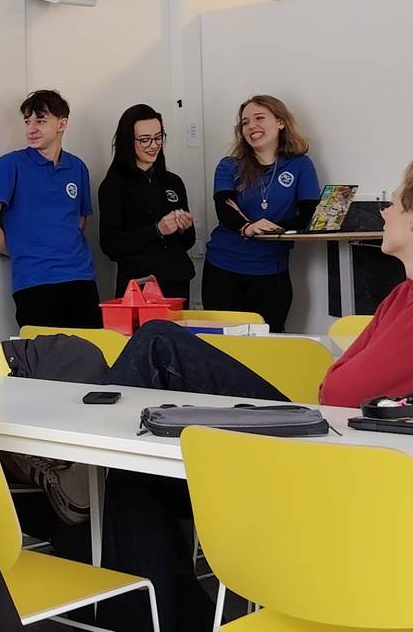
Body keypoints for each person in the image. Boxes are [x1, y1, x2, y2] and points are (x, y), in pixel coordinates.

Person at [97, 162, 413, 632]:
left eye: (397, 203)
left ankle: (75, 465)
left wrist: (338, 382)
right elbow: (336, 384)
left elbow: (340, 389)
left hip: (327, 463)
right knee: (134, 470)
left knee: (159, 342)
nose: (384, 211)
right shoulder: (401, 295)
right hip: (319, 436)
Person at [0, 89, 101, 329]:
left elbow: (79, 222)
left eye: (40, 121)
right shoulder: (11, 164)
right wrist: (21, 250)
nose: (31, 128)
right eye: (27, 121)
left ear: (61, 124)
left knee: (90, 350)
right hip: (35, 282)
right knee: (43, 352)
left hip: (81, 279)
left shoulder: (78, 168)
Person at [202, 94, 319, 332]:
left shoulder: (300, 165)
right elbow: (224, 208)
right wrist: (248, 227)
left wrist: (270, 229)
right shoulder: (229, 165)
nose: (251, 126)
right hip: (223, 268)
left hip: (271, 272)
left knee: (268, 342)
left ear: (280, 122)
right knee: (221, 345)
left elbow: (308, 214)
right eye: (245, 122)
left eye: (259, 118)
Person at [98, 104, 196, 301]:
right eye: (144, 140)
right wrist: (157, 230)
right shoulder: (113, 185)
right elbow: (110, 244)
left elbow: (188, 241)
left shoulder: (173, 182)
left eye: (158, 137)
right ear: (128, 141)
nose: (153, 145)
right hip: (139, 286)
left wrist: (184, 227)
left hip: (177, 282)